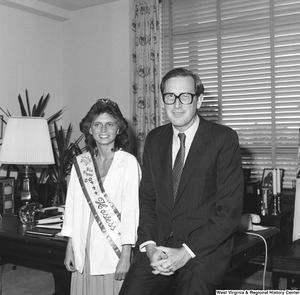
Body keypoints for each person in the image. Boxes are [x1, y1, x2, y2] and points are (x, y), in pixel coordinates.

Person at [119, 68, 244, 295]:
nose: (177, 105)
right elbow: (147, 200)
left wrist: (185, 252)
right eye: (170, 97)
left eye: (185, 96)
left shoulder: (223, 139)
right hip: (158, 246)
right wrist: (149, 247)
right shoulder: (155, 139)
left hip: (203, 250)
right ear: (163, 101)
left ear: (199, 100)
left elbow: (229, 213)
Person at [61, 98, 141, 295]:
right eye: (97, 124)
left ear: (118, 129)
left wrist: (126, 254)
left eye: (110, 124)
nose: (103, 129)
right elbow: (71, 208)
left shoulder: (128, 163)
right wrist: (70, 247)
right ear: (90, 129)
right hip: (83, 246)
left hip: (111, 248)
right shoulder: (80, 163)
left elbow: (132, 211)